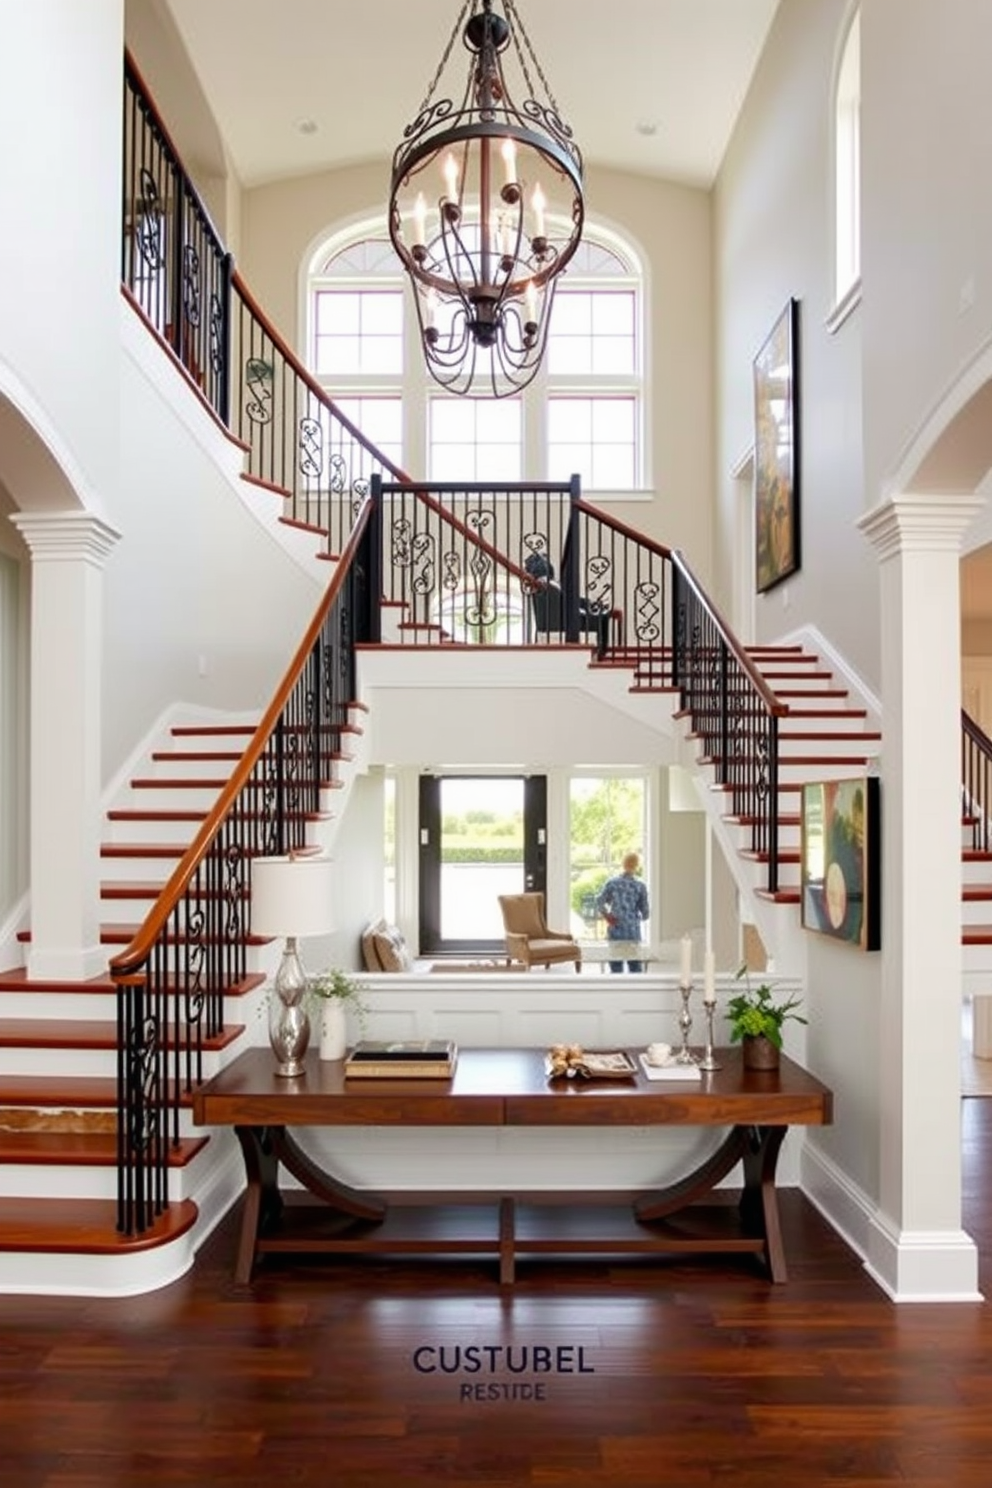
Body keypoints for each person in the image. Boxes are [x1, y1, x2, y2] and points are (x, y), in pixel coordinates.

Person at [595, 852, 650, 972]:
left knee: (615, 964)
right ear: (637, 865)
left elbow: (599, 901)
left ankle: (616, 989)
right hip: (632, 930)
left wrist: (607, 916)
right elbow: (645, 914)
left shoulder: (612, 883)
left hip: (615, 927)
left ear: (623, 864)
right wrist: (641, 915)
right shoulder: (640, 886)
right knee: (635, 965)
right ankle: (634, 989)